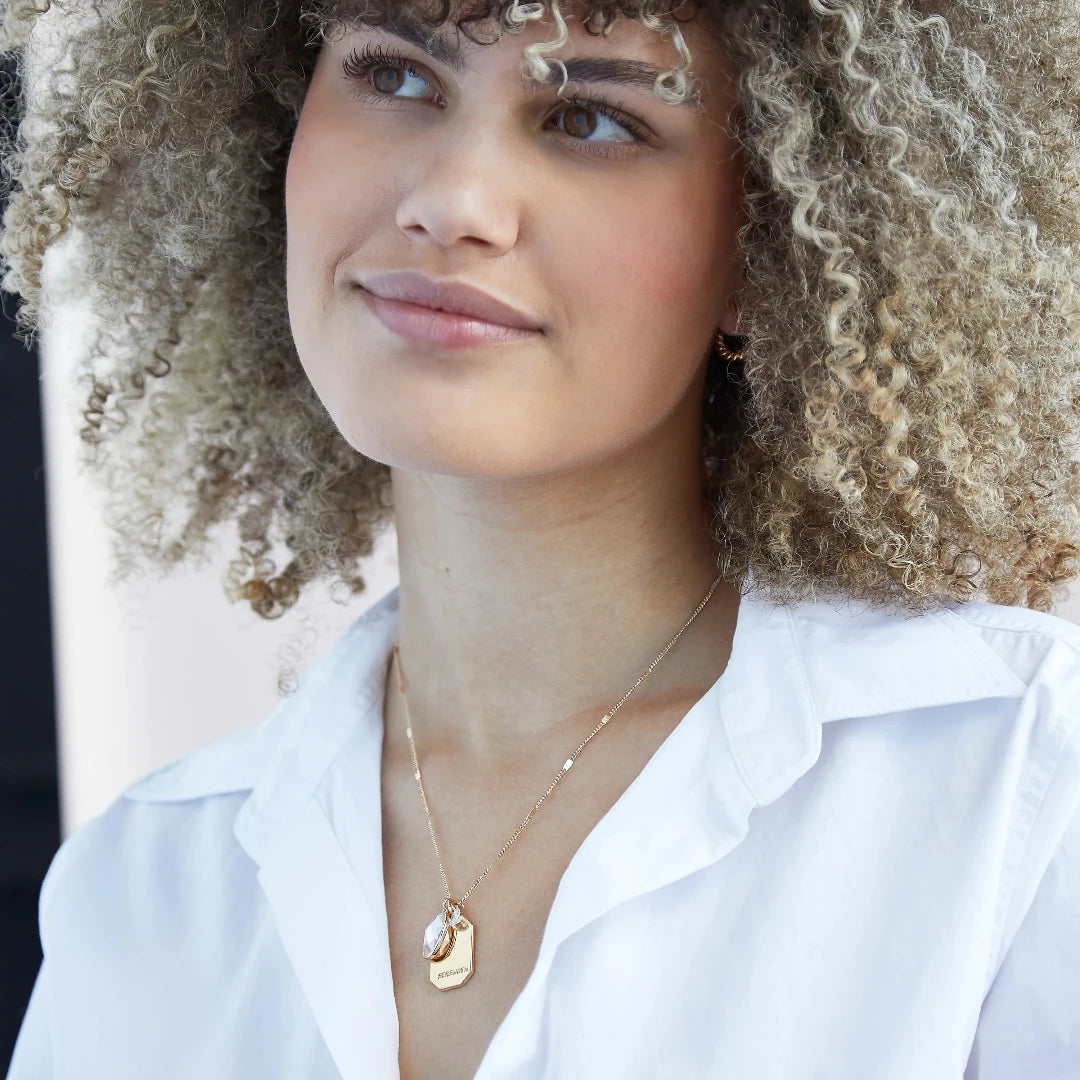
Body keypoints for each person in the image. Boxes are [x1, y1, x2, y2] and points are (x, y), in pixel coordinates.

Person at [4, 0, 1080, 1076]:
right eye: (394, 75)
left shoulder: (1014, 788)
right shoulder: (140, 895)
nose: (452, 201)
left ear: (773, 239)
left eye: (591, 119)